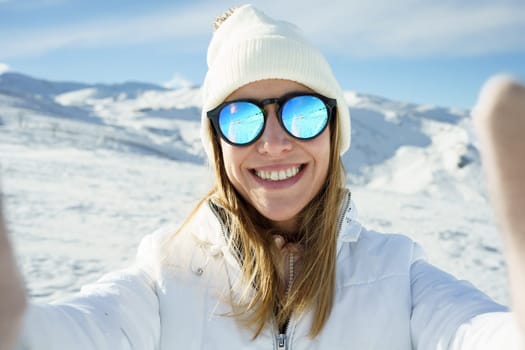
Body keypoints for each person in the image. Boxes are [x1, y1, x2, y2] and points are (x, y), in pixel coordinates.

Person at [1, 4, 525, 349]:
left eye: (301, 111)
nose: (273, 141)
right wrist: (23, 334)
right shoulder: (167, 276)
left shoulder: (397, 274)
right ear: (218, 143)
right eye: (242, 117)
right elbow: (90, 329)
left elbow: (471, 333)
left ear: (333, 128)